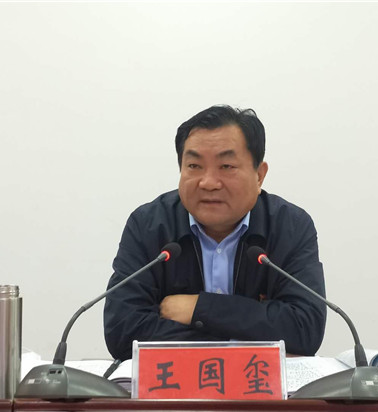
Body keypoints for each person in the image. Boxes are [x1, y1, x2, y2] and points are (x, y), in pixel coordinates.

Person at [104, 105, 326, 360]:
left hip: (259, 385)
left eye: (226, 166)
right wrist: (247, 334)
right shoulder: (148, 225)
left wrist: (199, 309)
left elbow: (304, 329)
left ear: (259, 175)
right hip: (177, 384)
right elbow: (122, 331)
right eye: (194, 165)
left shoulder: (290, 226)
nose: (208, 182)